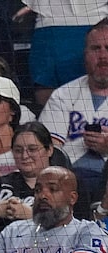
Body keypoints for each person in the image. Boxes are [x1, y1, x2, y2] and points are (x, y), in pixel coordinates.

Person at [40, 21, 108, 206]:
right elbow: (49, 150)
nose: (103, 56)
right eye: (96, 48)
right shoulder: (63, 95)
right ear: (85, 55)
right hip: (69, 183)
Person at [0, 121, 55, 233]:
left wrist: (31, 216)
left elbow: (73, 229)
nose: (24, 156)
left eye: (32, 149)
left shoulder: (66, 184)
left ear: (49, 150)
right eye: (18, 150)